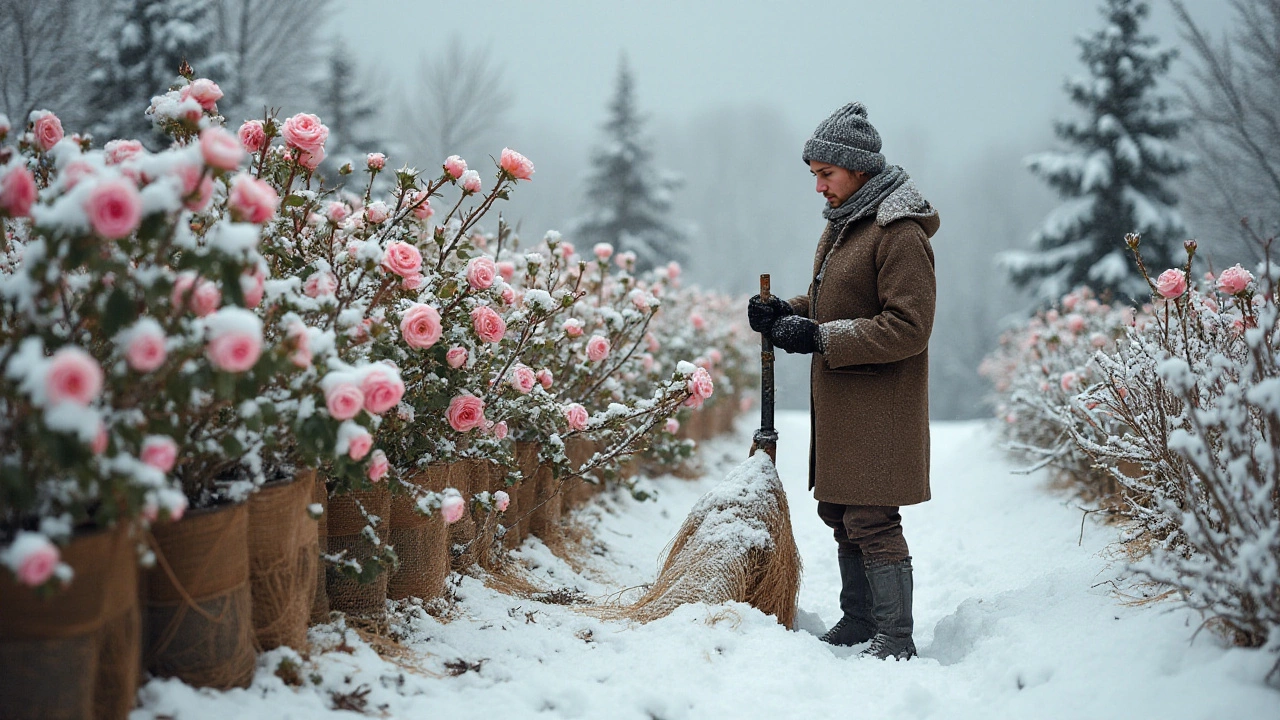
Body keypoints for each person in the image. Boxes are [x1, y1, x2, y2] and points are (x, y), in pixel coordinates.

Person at [747, 101, 939, 661]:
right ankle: (859, 620)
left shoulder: (897, 232)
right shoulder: (847, 224)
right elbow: (840, 304)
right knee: (840, 511)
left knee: (871, 517)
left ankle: (894, 637)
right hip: (845, 404)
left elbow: (908, 326)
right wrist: (790, 312)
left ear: (857, 169)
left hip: (880, 406)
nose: (818, 187)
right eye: (814, 176)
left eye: (825, 174)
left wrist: (821, 338)